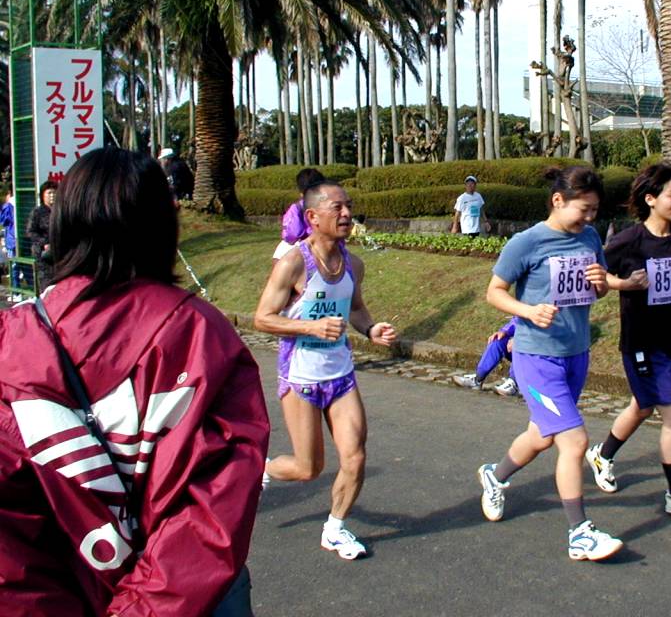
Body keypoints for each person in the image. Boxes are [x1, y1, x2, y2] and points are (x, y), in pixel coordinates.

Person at [0, 147, 270, 616]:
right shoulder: (199, 334)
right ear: (161, 224)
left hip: (64, 584)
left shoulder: (12, 338)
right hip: (192, 598)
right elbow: (212, 509)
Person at [477, 165, 623, 562]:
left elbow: (598, 289)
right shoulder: (527, 242)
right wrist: (527, 311)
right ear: (558, 200)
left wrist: (600, 282)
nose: (590, 218)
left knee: (542, 436)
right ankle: (580, 533)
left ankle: (495, 475)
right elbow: (494, 292)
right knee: (574, 441)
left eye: (595, 210)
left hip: (575, 353)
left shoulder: (589, 237)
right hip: (537, 358)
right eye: (584, 209)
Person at [255, 180, 397, 561]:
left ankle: (335, 528)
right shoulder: (294, 263)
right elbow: (262, 318)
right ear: (313, 217)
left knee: (355, 457)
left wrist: (371, 329)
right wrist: (311, 327)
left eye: (348, 206)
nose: (347, 213)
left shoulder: (354, 265)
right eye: (337, 208)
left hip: (340, 376)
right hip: (301, 376)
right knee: (308, 468)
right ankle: (262, 469)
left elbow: (356, 308)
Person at [586, 163, 671, 518]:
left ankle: (602, 455)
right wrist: (626, 284)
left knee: (643, 406)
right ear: (650, 199)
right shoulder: (629, 240)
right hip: (641, 341)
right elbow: (598, 276)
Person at [452, 317, 520, 396]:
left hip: (531, 348)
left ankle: (513, 384)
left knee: (521, 346)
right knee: (498, 340)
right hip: (522, 338)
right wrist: (505, 331)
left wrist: (519, 339)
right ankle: (477, 380)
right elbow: (518, 320)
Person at [274, 168, 326, 260]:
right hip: (317, 246)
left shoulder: (296, 207)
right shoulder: (327, 206)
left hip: (290, 248)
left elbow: (292, 233)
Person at [27, 180, 57, 292]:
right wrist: (44, 243)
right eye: (49, 193)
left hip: (59, 252)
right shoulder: (37, 212)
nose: (52, 195)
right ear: (43, 195)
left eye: (54, 192)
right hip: (43, 254)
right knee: (46, 284)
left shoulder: (60, 211)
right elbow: (30, 232)